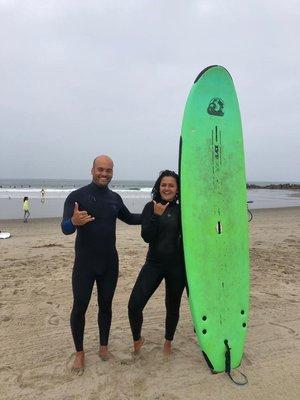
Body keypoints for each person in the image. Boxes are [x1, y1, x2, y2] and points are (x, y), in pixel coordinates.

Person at [61, 155, 141, 373]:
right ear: (92, 170)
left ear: (113, 172)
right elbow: (65, 228)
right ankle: (79, 352)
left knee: (106, 306)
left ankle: (103, 347)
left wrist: (155, 213)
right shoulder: (77, 197)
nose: (104, 174)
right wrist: (73, 222)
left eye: (108, 170)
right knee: (80, 306)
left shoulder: (114, 199)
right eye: (100, 169)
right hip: (85, 265)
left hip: (109, 264)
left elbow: (131, 218)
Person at [128, 170, 186, 356]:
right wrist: (156, 216)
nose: (167, 188)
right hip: (154, 263)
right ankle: (137, 339)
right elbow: (147, 236)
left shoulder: (183, 210)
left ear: (177, 189)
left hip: (177, 266)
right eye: (163, 185)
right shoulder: (150, 207)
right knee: (134, 304)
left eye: (171, 185)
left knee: (172, 306)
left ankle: (168, 342)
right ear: (158, 187)